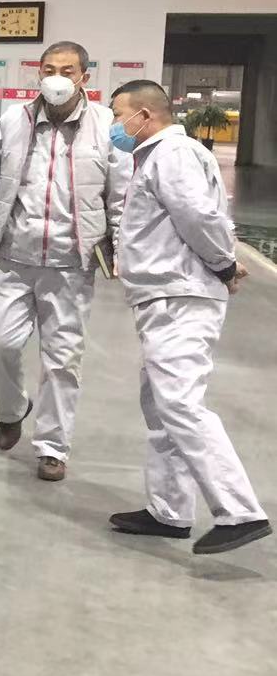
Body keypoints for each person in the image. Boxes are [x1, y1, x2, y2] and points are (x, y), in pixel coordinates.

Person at [105, 80, 269, 555]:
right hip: (163, 295)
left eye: (118, 114)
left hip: (181, 296)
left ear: (144, 115)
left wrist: (224, 265)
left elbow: (198, 217)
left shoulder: (172, 154)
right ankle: (169, 510)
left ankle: (240, 511)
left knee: (179, 402)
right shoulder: (158, 156)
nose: (114, 125)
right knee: (160, 405)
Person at [0, 42, 127, 480]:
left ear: (84, 77)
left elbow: (121, 195)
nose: (56, 78)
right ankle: (13, 409)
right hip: (14, 255)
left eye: (67, 70)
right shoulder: (13, 121)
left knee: (62, 359)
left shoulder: (106, 125)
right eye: (49, 69)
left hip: (72, 263)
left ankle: (53, 446)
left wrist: (122, 246)